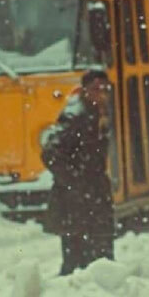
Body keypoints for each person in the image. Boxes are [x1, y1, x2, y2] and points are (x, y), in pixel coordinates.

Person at [41, 68, 114, 275]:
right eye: (96, 89)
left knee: (100, 257)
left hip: (93, 195)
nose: (101, 94)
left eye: (105, 89)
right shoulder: (75, 117)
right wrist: (74, 182)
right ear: (84, 91)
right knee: (77, 263)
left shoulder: (99, 113)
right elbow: (50, 153)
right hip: (78, 201)